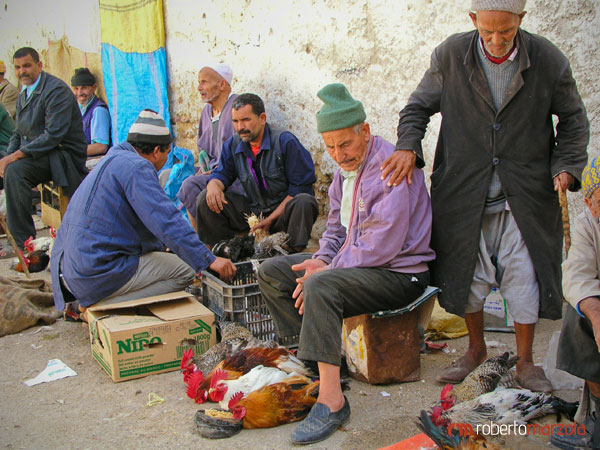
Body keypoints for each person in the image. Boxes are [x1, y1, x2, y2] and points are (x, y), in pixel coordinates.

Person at [381, 0, 589, 392]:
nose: (496, 40)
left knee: (524, 276)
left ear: (521, 21)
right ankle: (476, 349)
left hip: (524, 193)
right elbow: (416, 108)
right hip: (464, 189)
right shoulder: (451, 55)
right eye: (487, 31)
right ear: (473, 20)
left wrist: (566, 165)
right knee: (469, 276)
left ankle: (526, 362)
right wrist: (408, 145)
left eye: (506, 32)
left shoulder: (546, 58)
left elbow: (574, 118)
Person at [258, 84, 435, 444]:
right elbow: (336, 228)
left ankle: (332, 401)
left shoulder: (389, 167)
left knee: (320, 283)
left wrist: (327, 269)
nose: (339, 154)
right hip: (361, 265)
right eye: (330, 146)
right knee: (272, 271)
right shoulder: (343, 173)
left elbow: (380, 247)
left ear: (365, 132)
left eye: (346, 144)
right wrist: (322, 258)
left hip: (400, 274)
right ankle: (319, 367)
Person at [50, 109, 236, 316]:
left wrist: (165, 245)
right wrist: (208, 259)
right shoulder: (138, 167)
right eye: (166, 154)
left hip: (70, 271)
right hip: (94, 273)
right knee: (186, 271)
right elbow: (167, 221)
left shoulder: (112, 159)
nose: (165, 160)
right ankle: (101, 305)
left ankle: (95, 299)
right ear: (156, 151)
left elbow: (145, 223)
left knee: (170, 257)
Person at [197, 93, 318, 252]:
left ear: (262, 118)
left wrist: (270, 219)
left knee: (304, 201)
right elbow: (222, 174)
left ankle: (290, 253)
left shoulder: (285, 142)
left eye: (246, 120)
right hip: (252, 214)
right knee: (205, 199)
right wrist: (213, 185)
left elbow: (300, 188)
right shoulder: (233, 145)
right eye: (236, 121)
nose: (240, 127)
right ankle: (227, 252)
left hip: (282, 215)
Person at [0, 47, 88, 249]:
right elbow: (17, 133)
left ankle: (24, 243)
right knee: (6, 167)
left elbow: (53, 135)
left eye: (27, 66)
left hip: (63, 155)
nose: (23, 71)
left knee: (15, 172)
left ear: (39, 65)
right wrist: (6, 157)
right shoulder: (24, 92)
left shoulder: (56, 90)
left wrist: (14, 158)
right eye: (18, 67)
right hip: (40, 153)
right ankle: (11, 235)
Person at [552, 157, 600, 450]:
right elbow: (576, 276)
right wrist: (596, 317)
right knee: (578, 315)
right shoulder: (587, 224)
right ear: (589, 202)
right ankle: (598, 423)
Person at [176, 62, 243, 230]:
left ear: (222, 84)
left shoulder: (237, 108)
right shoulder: (207, 112)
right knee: (175, 175)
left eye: (204, 82)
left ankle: (204, 243)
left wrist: (215, 173)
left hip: (234, 175)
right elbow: (203, 150)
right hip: (211, 171)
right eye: (199, 82)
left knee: (189, 186)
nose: (199, 88)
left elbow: (240, 155)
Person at [70, 67, 111, 157]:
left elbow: (101, 147)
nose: (79, 93)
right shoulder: (77, 109)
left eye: (84, 88)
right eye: (76, 88)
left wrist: (72, 153)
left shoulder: (99, 110)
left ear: (94, 87)